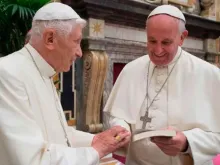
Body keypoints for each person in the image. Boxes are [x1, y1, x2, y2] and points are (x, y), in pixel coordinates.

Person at [0, 2, 131, 165]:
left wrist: (97, 139)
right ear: (50, 39)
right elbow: (31, 158)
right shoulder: (7, 73)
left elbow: (60, 135)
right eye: (76, 41)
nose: (79, 52)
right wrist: (97, 149)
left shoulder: (44, 72)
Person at [103, 4, 220, 165]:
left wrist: (187, 142)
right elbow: (118, 115)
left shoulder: (208, 74)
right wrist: (121, 128)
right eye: (152, 41)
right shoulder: (131, 70)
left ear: (182, 37)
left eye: (166, 42)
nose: (158, 50)